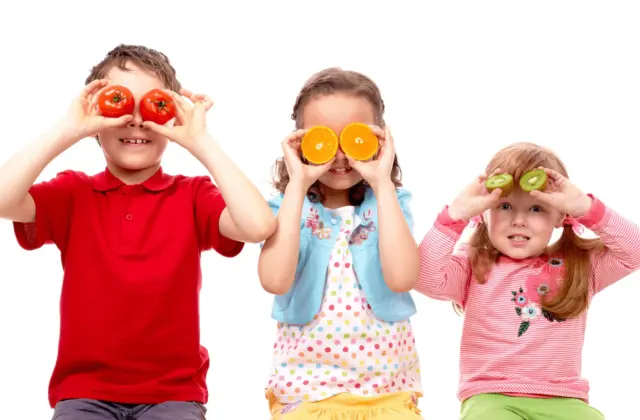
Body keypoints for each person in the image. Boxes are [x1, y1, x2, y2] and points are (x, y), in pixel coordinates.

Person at [0, 44, 276, 420]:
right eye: (119, 103)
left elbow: (258, 225)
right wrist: (69, 129)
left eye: (152, 105)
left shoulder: (192, 195)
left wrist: (199, 141)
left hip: (173, 394)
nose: (135, 120)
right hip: (85, 392)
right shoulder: (73, 193)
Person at [415, 142, 640, 419]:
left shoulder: (580, 264)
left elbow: (636, 251)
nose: (519, 220)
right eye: (505, 206)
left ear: (561, 215)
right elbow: (423, 277)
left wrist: (586, 208)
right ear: (484, 213)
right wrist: (454, 217)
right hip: (492, 398)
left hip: (565, 399)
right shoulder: (474, 263)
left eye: (536, 209)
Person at [258, 67, 423, 420]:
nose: (340, 153)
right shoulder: (288, 207)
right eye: (323, 138)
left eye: (355, 137)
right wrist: (297, 186)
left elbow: (403, 277)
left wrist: (381, 184)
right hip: (304, 391)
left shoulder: (390, 202)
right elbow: (274, 280)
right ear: (300, 141)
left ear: (380, 138)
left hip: (388, 391)